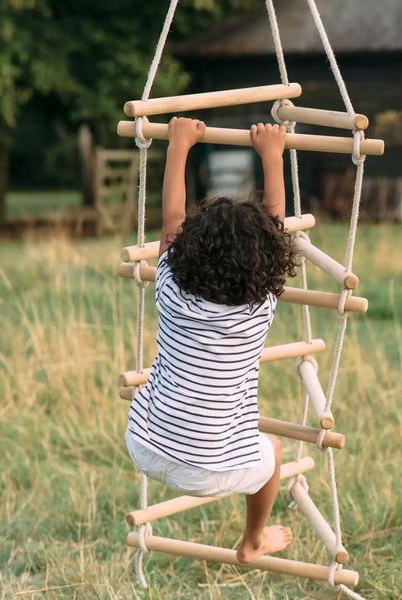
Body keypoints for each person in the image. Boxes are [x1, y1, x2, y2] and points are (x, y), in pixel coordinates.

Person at [125, 117, 297, 563]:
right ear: (267, 263)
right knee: (273, 451)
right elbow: (276, 226)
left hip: (143, 444)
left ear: (190, 249)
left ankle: (251, 536)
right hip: (209, 471)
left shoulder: (170, 288)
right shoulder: (258, 308)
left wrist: (179, 145)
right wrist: (273, 157)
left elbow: (172, 219)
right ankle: (253, 539)